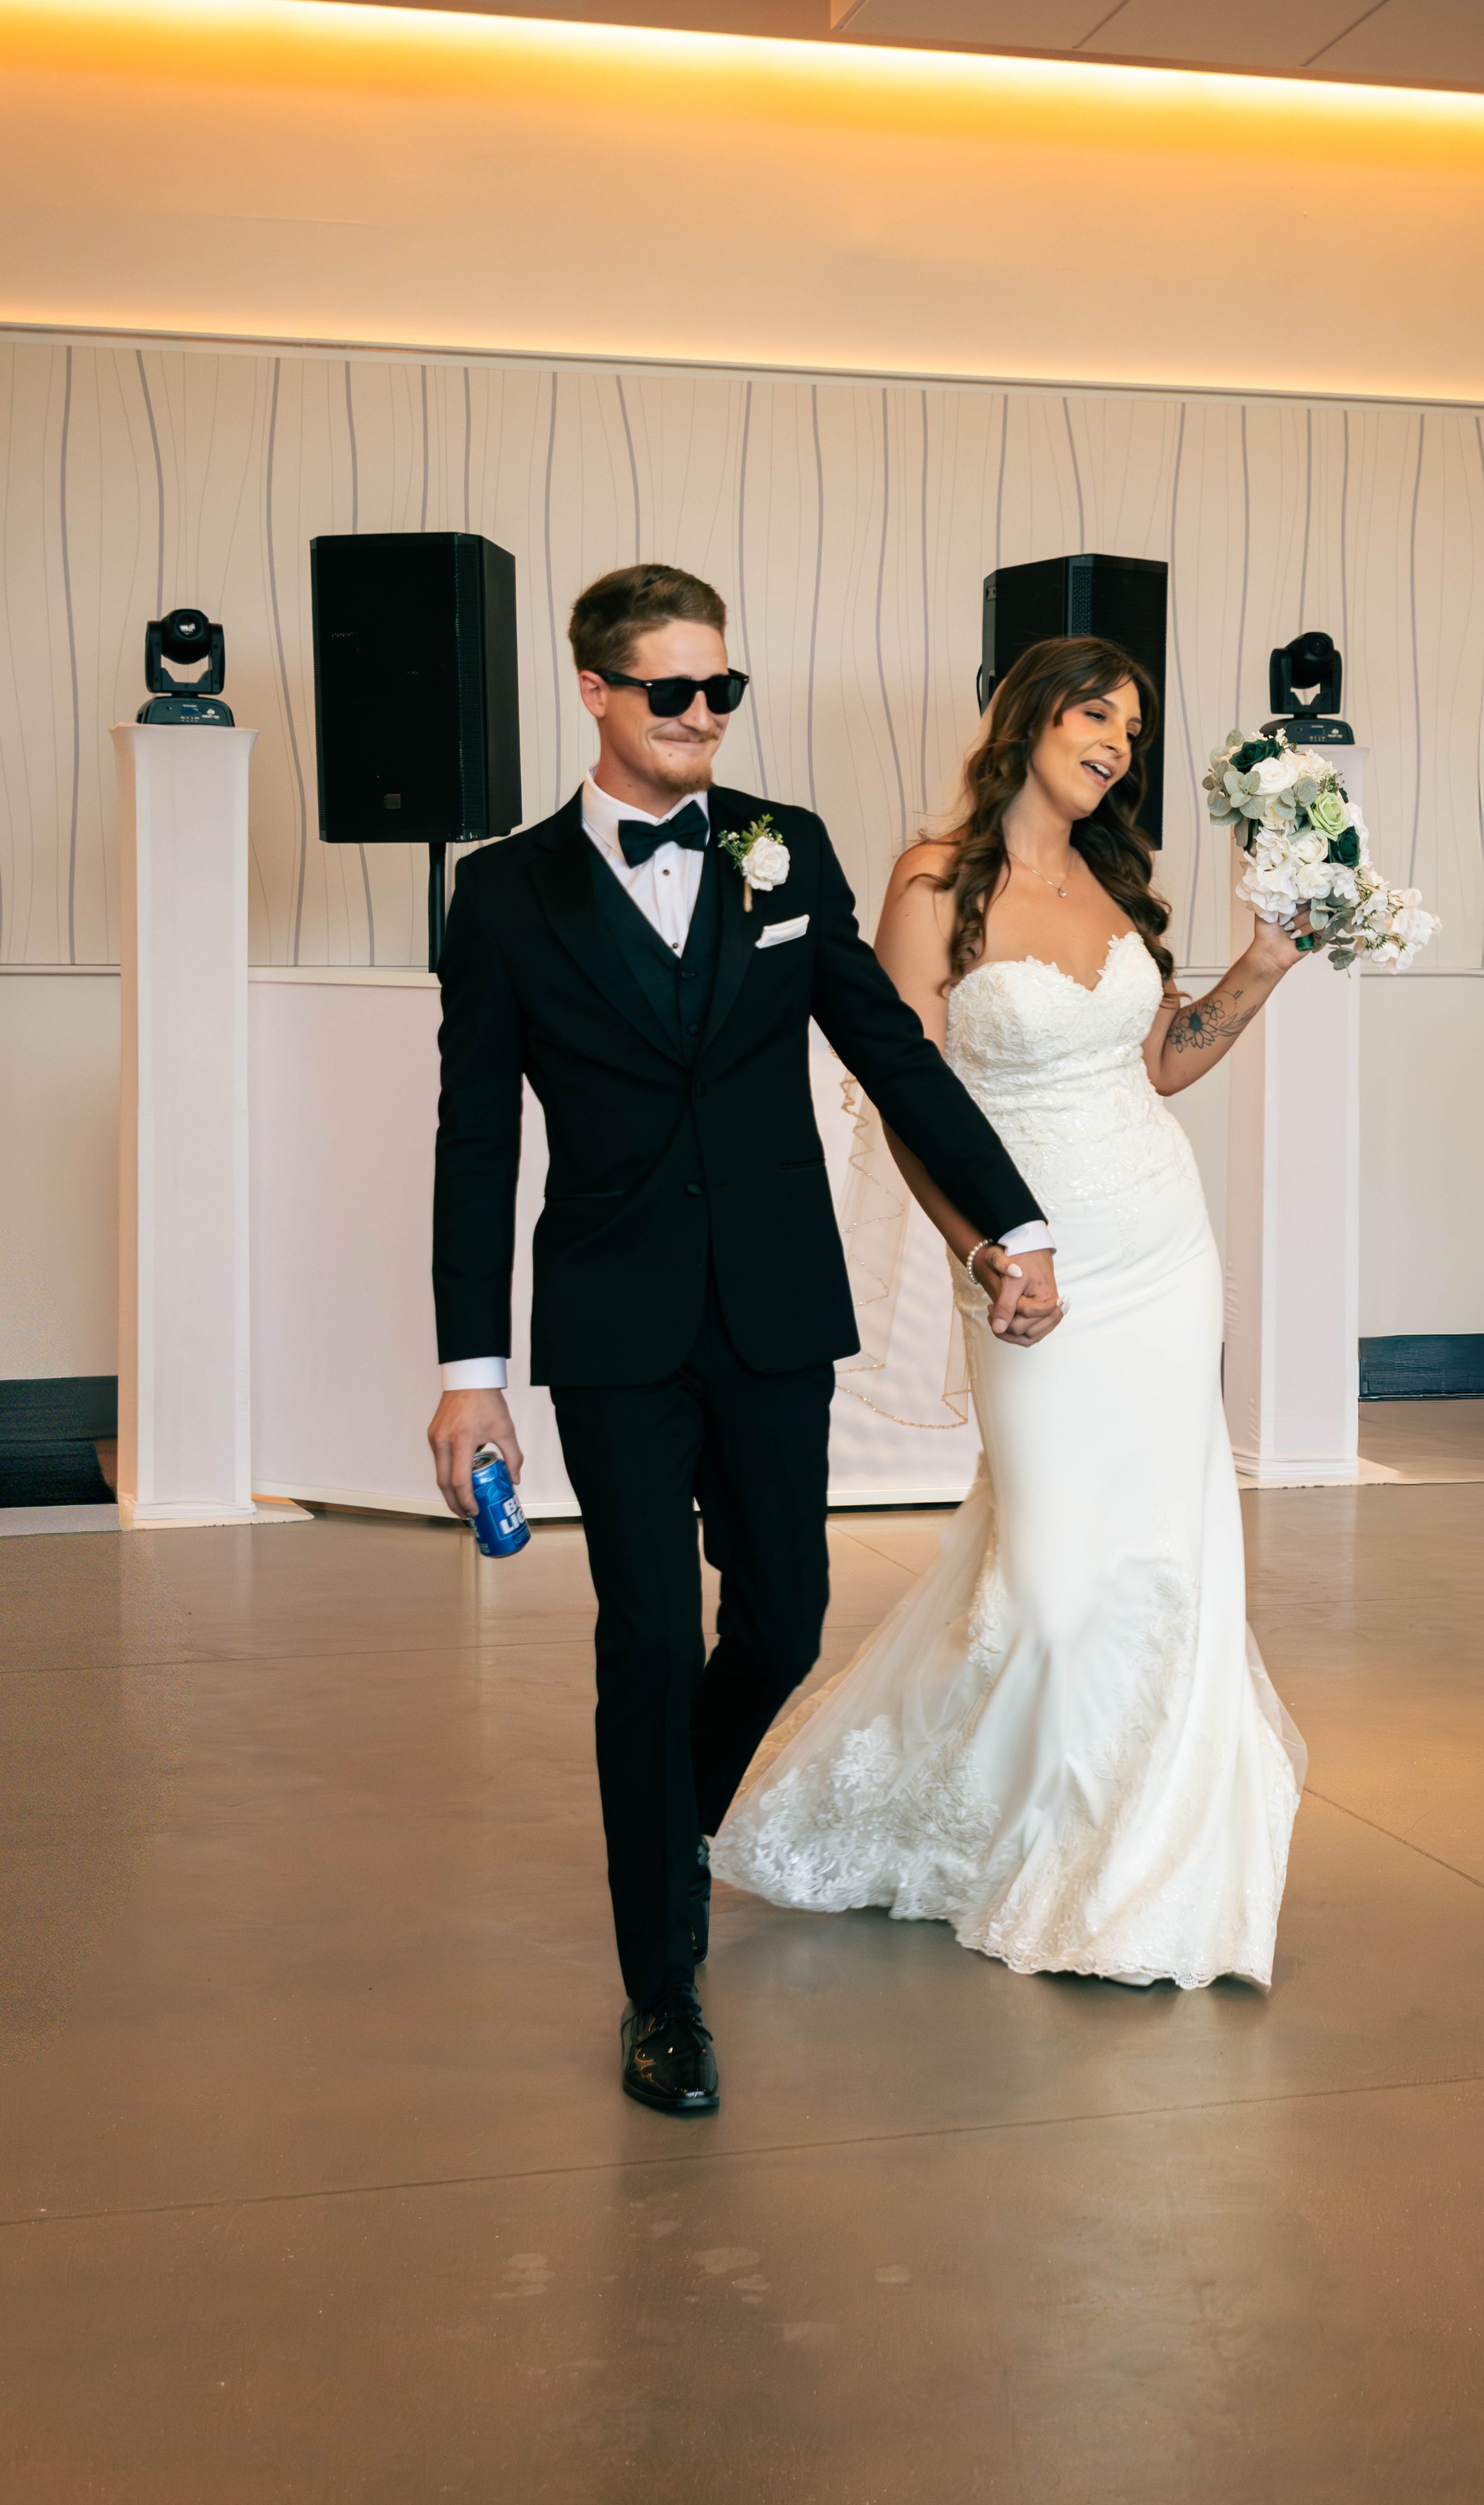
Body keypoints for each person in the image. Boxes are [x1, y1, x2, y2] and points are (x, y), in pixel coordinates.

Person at [425, 564, 1064, 2114]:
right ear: (595, 693)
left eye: (723, 690)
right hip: (617, 1323)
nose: (704, 715)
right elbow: (473, 1143)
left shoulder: (786, 848)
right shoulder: (507, 895)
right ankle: (662, 1988)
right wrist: (469, 1378)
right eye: (672, 693)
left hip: (773, 1310)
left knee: (778, 1623)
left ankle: (673, 1833)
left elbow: (887, 1050)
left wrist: (1011, 1223)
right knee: (645, 1640)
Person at [713, 636, 1310, 1989]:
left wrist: (1263, 968)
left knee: (1165, 1553)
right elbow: (894, 1086)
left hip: (1164, 1249)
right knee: (1047, 1581)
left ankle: (1132, 1849)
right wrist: (982, 1248)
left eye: (1134, 727)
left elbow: (1156, 1062)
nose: (1117, 742)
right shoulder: (934, 882)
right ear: (1030, 718)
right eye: (1098, 713)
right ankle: (984, 1816)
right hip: (1030, 1263)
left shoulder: (1114, 885)